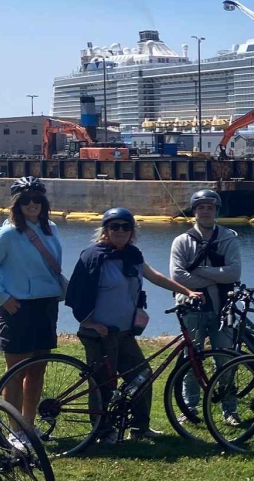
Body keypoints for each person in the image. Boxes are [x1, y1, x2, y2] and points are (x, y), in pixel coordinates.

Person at [65, 208, 197, 440]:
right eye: (114, 226)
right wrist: (89, 323)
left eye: (125, 227)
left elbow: (156, 277)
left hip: (125, 332)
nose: (120, 231)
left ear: (132, 232)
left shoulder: (133, 255)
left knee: (142, 375)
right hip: (100, 333)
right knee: (104, 384)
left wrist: (187, 291)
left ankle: (139, 428)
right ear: (105, 230)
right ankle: (102, 432)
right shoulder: (93, 256)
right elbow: (76, 294)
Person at [0, 177, 64, 420]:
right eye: (25, 200)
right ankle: (15, 430)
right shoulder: (7, 234)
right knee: (15, 373)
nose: (32, 204)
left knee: (37, 371)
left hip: (46, 305)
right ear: (16, 204)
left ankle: (28, 426)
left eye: (36, 199)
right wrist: (1, 297)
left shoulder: (51, 229)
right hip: (18, 308)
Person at [169, 189, 242, 420]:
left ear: (217, 211)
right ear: (194, 211)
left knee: (226, 359)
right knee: (191, 360)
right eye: (201, 207)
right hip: (191, 308)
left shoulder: (228, 238)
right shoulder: (182, 241)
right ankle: (189, 407)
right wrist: (216, 278)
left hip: (223, 308)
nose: (206, 212)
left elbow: (234, 272)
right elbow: (178, 276)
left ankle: (230, 409)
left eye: (210, 207)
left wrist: (200, 271)